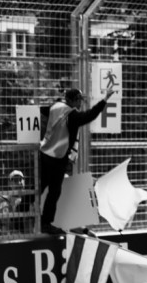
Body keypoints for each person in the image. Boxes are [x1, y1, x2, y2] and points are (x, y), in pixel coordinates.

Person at [39, 86, 115, 234]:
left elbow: (39, 111)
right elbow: (89, 115)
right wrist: (105, 99)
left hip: (45, 154)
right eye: (80, 100)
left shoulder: (55, 107)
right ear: (73, 100)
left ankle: (21, 215)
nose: (81, 103)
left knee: (39, 188)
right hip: (58, 159)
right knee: (54, 192)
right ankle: (45, 224)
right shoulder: (72, 115)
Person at [0, 170, 29, 236]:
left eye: (21, 179)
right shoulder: (3, 198)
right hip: (8, 235)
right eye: (16, 180)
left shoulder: (28, 199)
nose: (19, 183)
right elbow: (5, 220)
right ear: (9, 183)